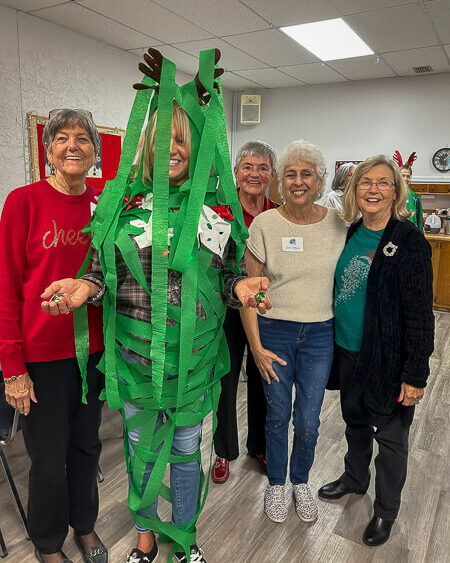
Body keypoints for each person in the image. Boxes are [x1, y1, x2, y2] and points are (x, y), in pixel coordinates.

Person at [41, 50, 271, 563]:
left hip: (192, 368)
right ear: (142, 153)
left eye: (182, 142)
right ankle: (146, 537)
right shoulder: (118, 212)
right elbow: (100, 274)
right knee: (144, 454)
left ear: (196, 151)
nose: (171, 150)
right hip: (137, 364)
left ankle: (185, 539)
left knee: (187, 454)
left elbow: (231, 274)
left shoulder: (215, 218)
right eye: (161, 142)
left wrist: (240, 289)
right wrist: (85, 288)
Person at [0, 110, 106, 563]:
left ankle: (84, 525)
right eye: (61, 138)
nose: (73, 146)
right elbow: (5, 287)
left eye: (83, 138)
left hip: (94, 351)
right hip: (41, 356)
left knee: (87, 445)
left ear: (95, 152)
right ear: (48, 151)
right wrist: (12, 368)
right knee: (46, 458)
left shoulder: (105, 203)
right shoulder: (23, 202)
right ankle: (47, 541)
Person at [318, 155, 434, 547]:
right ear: (354, 189)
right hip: (348, 351)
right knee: (354, 421)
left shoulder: (409, 240)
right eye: (365, 181)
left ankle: (385, 511)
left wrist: (415, 374)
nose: (373, 189)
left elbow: (421, 314)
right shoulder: (349, 233)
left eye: (383, 182)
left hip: (389, 361)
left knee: (391, 439)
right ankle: (354, 477)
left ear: (396, 191)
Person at [240, 140, 347, 524]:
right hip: (274, 332)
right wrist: (255, 346)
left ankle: (301, 481)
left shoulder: (339, 225)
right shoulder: (265, 224)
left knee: (308, 419)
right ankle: (276, 484)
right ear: (279, 182)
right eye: (290, 174)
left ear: (320, 181)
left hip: (320, 335)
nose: (298, 181)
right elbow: (249, 293)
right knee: (276, 413)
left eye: (307, 174)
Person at [212, 140, 277, 484]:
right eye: (248, 166)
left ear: (271, 175)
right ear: (235, 172)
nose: (255, 173)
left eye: (262, 167)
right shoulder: (217, 211)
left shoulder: (279, 213)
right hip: (225, 310)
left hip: (265, 309)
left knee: (263, 376)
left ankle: (260, 445)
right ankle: (223, 451)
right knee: (225, 378)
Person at [400, 166, 423, 231]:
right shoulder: (391, 195)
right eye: (403, 176)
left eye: (408, 176)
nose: (405, 179)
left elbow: (419, 220)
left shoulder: (415, 197)